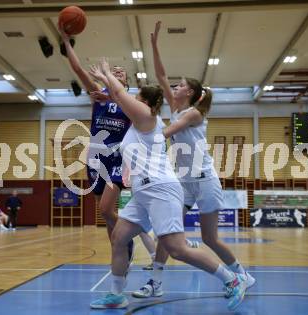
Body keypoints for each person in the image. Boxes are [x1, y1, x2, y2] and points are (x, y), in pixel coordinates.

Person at [88, 58, 247, 310]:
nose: (131, 100)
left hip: (161, 189)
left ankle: (231, 280)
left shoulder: (145, 116)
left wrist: (107, 73)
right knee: (119, 238)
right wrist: (107, 86)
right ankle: (117, 295)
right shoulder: (140, 117)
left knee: (177, 249)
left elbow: (119, 94)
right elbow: (117, 98)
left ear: (144, 102)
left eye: (136, 97)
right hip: (143, 191)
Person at [132, 21, 255, 300]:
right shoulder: (176, 107)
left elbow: (166, 132)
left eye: (181, 85)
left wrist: (143, 140)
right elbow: (161, 74)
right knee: (167, 232)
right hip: (184, 183)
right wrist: (154, 45)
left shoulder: (194, 114)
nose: (175, 86)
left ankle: (242, 275)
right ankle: (156, 282)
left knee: (210, 238)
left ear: (190, 92)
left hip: (205, 181)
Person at [59, 25, 135, 260]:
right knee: (105, 213)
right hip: (95, 158)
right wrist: (65, 41)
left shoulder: (131, 99)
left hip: (117, 159)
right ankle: (118, 250)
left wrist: (112, 95)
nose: (118, 71)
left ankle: (126, 240)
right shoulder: (96, 93)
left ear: (127, 82)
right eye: (115, 70)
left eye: (122, 72)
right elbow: (78, 69)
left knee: (105, 208)